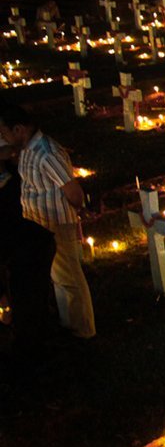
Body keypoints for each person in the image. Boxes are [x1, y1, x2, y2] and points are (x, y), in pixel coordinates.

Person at [0, 104, 94, 339]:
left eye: (5, 133)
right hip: (40, 224)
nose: (4, 138)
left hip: (57, 224)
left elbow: (73, 192)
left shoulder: (47, 153)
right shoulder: (26, 150)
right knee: (58, 278)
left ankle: (83, 330)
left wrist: (78, 213)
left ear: (19, 129)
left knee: (69, 278)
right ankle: (68, 322)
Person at [0, 151, 56, 359]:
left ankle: (32, 349)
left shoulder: (15, 181)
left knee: (29, 298)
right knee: (31, 297)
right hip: (30, 243)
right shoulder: (14, 179)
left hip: (30, 246)